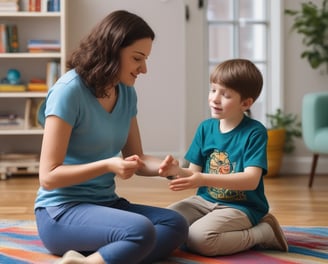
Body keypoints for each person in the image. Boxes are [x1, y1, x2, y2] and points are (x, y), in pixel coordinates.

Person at [34, 10, 188, 264]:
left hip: (106, 205)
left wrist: (167, 168)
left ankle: (104, 255)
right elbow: (48, 177)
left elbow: (135, 158)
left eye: (146, 59)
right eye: (138, 58)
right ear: (110, 50)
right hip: (60, 212)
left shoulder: (126, 93)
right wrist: (107, 165)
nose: (144, 69)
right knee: (140, 230)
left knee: (175, 224)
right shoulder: (68, 92)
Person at [159, 59, 288, 256]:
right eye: (213, 90)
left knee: (199, 240)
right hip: (204, 201)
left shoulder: (255, 132)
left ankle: (263, 232)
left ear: (245, 103)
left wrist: (202, 178)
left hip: (242, 207)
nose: (215, 99)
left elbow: (251, 180)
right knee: (166, 222)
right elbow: (193, 173)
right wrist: (175, 172)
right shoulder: (205, 128)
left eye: (225, 95)